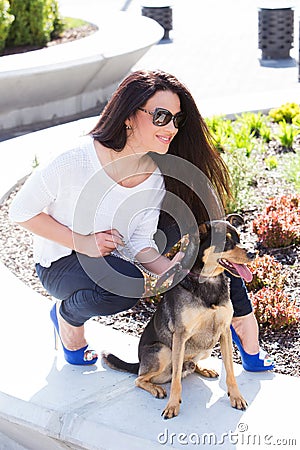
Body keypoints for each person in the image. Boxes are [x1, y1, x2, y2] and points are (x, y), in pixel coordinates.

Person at [9, 69, 274, 371]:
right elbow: (20, 211)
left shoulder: (155, 178)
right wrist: (83, 242)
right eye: (161, 116)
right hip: (60, 262)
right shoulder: (74, 160)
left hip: (111, 258)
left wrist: (177, 271)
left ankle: (240, 321)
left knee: (197, 217)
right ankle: (67, 319)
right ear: (128, 115)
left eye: (177, 119)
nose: (171, 127)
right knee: (124, 285)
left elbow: (139, 243)